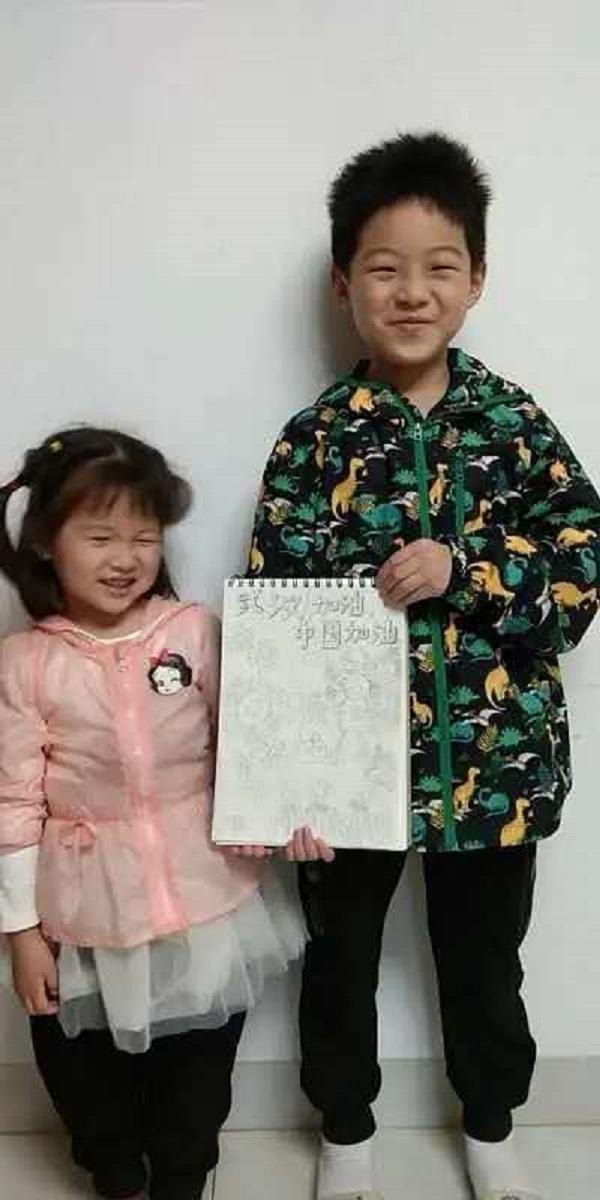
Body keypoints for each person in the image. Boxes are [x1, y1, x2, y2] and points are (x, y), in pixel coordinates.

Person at [245, 133, 600, 1200]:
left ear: (476, 278)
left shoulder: (514, 423)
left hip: (497, 768)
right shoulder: (313, 440)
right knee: (339, 957)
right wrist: (285, 783)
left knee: (486, 962)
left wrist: (468, 569)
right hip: (347, 777)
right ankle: (345, 1132)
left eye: (440, 267)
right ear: (343, 283)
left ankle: (489, 1125)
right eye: (385, 268)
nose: (412, 292)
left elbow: (583, 561)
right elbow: (275, 613)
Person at [0, 427, 304, 1200]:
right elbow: (13, 803)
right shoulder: (25, 663)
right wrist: (22, 934)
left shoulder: (193, 632)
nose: (126, 557)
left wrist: (295, 811)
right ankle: (111, 1165)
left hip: (204, 899)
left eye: (143, 537)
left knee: (198, 1068)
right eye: (100, 536)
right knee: (80, 1071)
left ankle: (183, 1171)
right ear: (45, 543)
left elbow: (254, 743)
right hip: (82, 908)